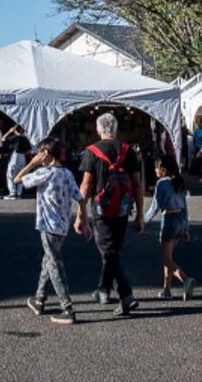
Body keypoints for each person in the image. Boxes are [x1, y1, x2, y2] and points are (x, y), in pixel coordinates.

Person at [74, 112, 144, 316]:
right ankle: (103, 289)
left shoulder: (92, 152)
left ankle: (126, 294)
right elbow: (138, 184)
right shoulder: (127, 151)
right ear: (116, 129)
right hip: (123, 208)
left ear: (98, 129)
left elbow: (86, 185)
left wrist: (81, 214)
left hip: (101, 209)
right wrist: (140, 214)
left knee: (108, 251)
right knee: (111, 250)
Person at [14, 137, 84, 325]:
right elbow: (80, 197)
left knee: (54, 264)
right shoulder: (68, 173)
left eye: (39, 153)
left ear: (45, 154)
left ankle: (67, 307)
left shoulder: (45, 172)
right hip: (62, 226)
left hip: (48, 225)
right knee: (48, 260)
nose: (37, 155)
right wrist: (80, 217)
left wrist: (31, 163)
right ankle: (39, 299)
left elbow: (17, 179)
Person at [144, 155, 196, 301]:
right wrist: (186, 227)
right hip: (180, 219)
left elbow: (155, 206)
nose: (155, 170)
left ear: (162, 169)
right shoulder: (178, 182)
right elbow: (184, 206)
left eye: (156, 167)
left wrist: (143, 221)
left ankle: (186, 279)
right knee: (169, 257)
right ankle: (166, 289)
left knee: (165, 258)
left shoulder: (161, 183)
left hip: (169, 220)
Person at [2, 125, 31, 200]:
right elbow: (29, 150)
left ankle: (12, 193)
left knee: (10, 175)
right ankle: (18, 193)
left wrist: (10, 131)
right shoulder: (25, 139)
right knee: (20, 174)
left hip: (15, 156)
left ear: (16, 131)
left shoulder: (15, 137)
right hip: (22, 157)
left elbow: (3, 139)